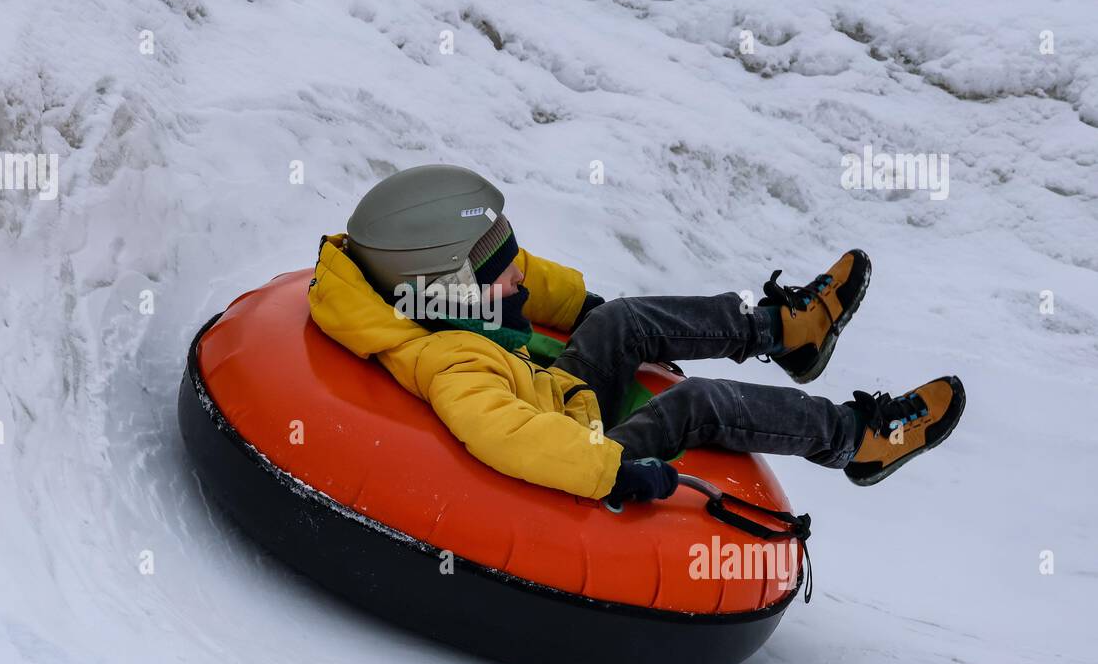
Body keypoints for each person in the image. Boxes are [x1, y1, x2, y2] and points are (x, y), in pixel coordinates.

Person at [307, 165, 965, 507]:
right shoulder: (453, 365)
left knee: (622, 320)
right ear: (443, 290)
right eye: (499, 276)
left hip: (559, 389)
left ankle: (785, 330)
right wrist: (614, 470)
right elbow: (512, 438)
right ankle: (857, 440)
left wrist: (587, 310)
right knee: (697, 403)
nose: (519, 281)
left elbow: (525, 274)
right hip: (582, 435)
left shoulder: (431, 292)